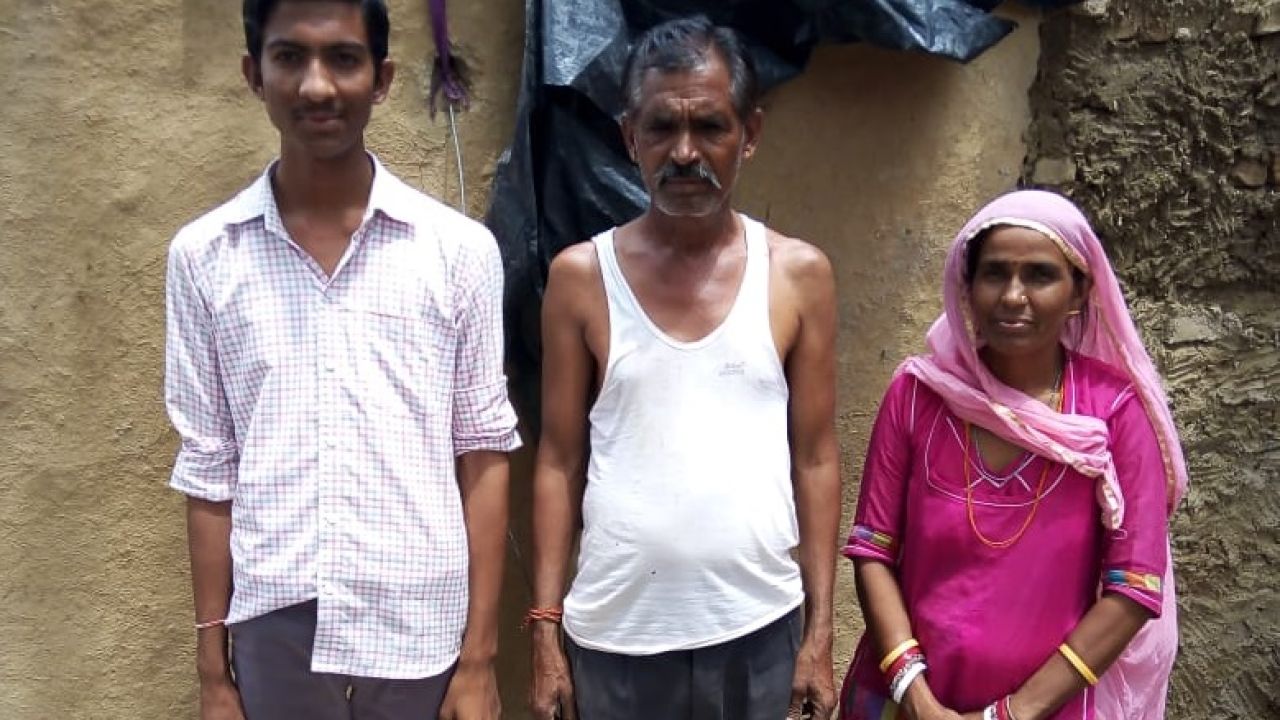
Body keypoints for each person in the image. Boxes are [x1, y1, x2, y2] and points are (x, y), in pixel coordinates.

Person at [164, 1, 520, 718]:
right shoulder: (205, 257)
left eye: (344, 59)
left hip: (421, 623)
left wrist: (480, 658)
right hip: (276, 625)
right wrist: (212, 674)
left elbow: (483, 451)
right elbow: (209, 468)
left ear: (381, 79)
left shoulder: (458, 253)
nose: (317, 85)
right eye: (289, 57)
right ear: (253, 74)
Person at [527, 15, 842, 720]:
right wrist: (545, 631)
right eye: (662, 128)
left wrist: (819, 632)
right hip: (616, 638)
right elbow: (558, 460)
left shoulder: (797, 275)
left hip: (758, 630)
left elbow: (817, 458)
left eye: (711, 127)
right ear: (629, 137)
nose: (685, 152)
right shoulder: (582, 278)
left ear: (749, 134)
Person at [839, 190, 1188, 720]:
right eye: (995, 274)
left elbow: (1134, 587)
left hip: (1049, 708)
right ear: (967, 286)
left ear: (1079, 292)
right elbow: (872, 549)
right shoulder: (917, 396)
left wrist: (1012, 714)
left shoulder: (1114, 412)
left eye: (1040, 276)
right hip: (903, 699)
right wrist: (915, 693)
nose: (1013, 296)